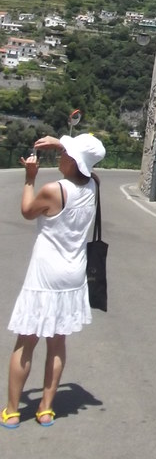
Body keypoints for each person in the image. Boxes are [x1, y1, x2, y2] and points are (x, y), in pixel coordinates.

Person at [1, 132, 105, 429]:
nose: (61, 156)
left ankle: (11, 411)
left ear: (74, 161)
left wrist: (29, 178)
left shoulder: (53, 190)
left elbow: (26, 211)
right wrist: (63, 144)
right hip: (72, 275)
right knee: (57, 341)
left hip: (45, 275)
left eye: (65, 154)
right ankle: (45, 409)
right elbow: (88, 167)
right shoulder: (93, 186)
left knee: (26, 341)